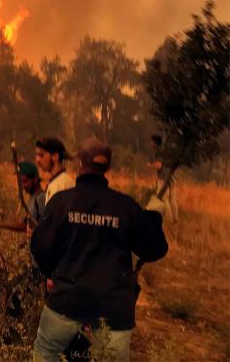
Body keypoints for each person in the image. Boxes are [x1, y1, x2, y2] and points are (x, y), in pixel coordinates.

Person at [30, 138, 168, 362]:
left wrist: (52, 273)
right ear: (108, 167)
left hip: (67, 298)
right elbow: (155, 249)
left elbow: (39, 246)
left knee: (46, 352)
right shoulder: (125, 207)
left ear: (79, 164)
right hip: (114, 306)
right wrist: (153, 217)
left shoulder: (62, 202)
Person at [0, 161, 45, 232]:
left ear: (35, 179)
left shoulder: (41, 198)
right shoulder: (33, 197)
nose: (23, 185)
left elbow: (44, 226)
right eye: (21, 182)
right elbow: (26, 225)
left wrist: (0, 225)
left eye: (25, 181)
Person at [35, 137, 75, 204]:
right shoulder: (56, 182)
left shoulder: (63, 185)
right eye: (37, 155)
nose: (37, 160)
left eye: (41, 155)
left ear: (55, 156)